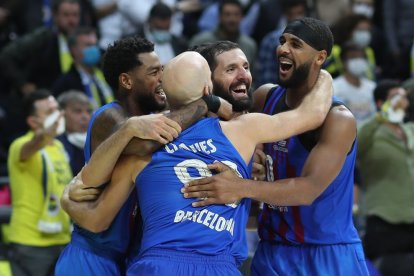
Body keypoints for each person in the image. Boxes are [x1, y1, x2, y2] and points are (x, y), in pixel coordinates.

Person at [75, 50, 333, 275]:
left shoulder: (143, 149)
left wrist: (68, 201)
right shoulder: (242, 130)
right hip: (218, 265)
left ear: (164, 94)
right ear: (208, 90)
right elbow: (313, 114)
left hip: (156, 265)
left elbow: (96, 219)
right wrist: (321, 71)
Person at [182, 17, 370, 275]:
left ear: (320, 57)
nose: (283, 48)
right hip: (271, 250)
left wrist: (241, 187)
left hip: (325, 253)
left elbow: (308, 190)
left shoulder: (338, 119)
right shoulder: (265, 97)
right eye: (282, 41)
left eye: (296, 44)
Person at [56, 37, 229, 275]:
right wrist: (207, 102)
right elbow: (146, 143)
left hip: (129, 258)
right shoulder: (109, 116)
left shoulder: (159, 116)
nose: (162, 79)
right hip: (92, 256)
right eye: (153, 72)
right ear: (126, 80)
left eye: (163, 71)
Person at [7, 89, 73, 276]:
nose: (58, 115)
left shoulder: (59, 146)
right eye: (50, 112)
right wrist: (44, 134)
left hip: (63, 237)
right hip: (31, 242)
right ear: (33, 122)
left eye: (57, 109)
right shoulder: (20, 144)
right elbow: (32, 145)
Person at [358, 80, 414, 276]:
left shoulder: (410, 130)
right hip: (385, 221)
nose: (401, 102)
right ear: (381, 103)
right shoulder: (370, 131)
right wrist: (382, 117)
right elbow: (356, 145)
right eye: (394, 98)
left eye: (403, 97)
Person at [52, 27, 114, 109]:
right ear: (73, 49)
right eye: (88, 45)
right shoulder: (65, 84)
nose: (94, 49)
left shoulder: (107, 74)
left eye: (95, 45)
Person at [190, 0, 257, 66]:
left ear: (242, 17)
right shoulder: (201, 42)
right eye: (227, 14)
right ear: (219, 17)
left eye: (236, 14)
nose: (232, 19)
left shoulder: (249, 46)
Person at [333, 42, 376, 128]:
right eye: (353, 58)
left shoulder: (372, 87)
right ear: (343, 62)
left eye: (361, 58)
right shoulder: (334, 87)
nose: (358, 61)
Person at [56, 90, 92, 175]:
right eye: (78, 111)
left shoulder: (98, 141)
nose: (85, 117)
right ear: (61, 113)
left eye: (88, 111)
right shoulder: (53, 143)